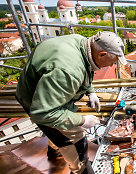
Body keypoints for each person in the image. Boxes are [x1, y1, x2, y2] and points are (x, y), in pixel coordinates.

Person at [16, 31, 127, 174]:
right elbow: (42, 113)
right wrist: (82, 120)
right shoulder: (68, 70)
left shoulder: (82, 42)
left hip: (46, 93)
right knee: (76, 139)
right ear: (102, 54)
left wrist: (90, 91)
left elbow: (85, 67)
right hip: (37, 102)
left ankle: (55, 150)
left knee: (58, 131)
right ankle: (80, 170)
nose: (113, 66)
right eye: (113, 61)